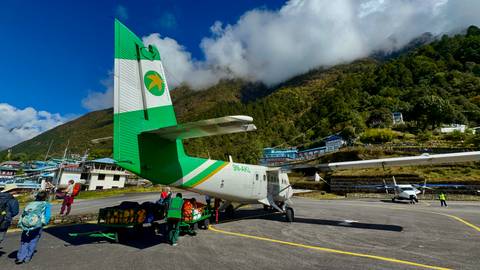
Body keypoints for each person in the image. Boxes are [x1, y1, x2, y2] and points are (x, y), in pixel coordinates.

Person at [16, 191, 51, 264]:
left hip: (26, 225)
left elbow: (24, 214)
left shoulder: (31, 203)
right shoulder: (46, 204)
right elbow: (47, 216)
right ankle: (27, 258)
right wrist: (43, 223)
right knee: (33, 241)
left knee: (24, 241)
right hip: (37, 226)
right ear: (45, 197)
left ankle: (20, 257)